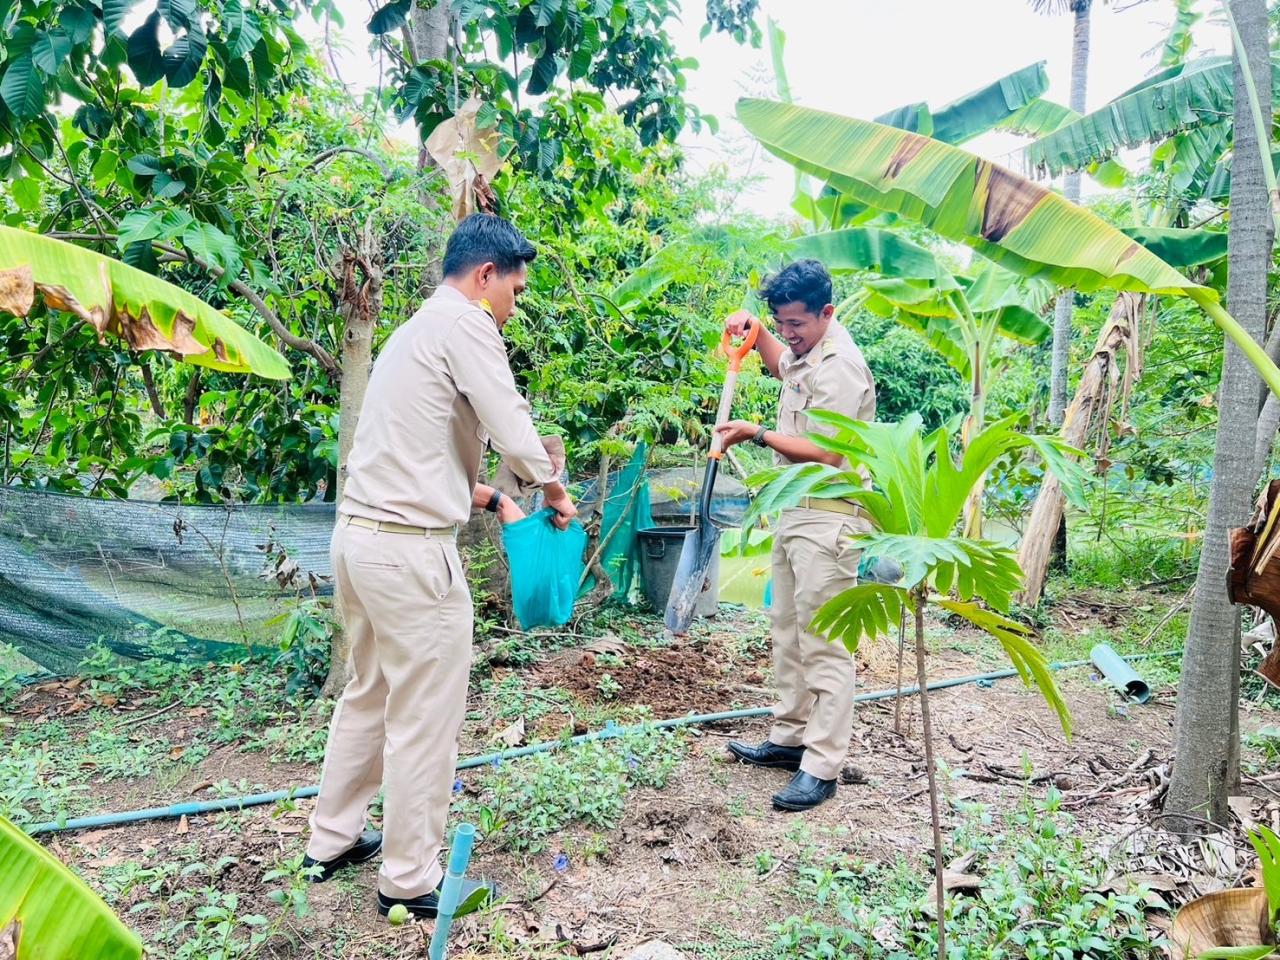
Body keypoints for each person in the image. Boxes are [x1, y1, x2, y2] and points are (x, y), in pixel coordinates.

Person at [301, 214, 577, 918]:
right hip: (411, 555)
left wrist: (490, 498)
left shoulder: (414, 331)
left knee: (370, 692)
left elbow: (419, 449)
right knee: (425, 716)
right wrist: (551, 486)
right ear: (485, 276)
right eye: (513, 289)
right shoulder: (465, 323)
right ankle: (410, 877)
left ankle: (330, 840)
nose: (514, 305)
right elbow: (513, 427)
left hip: (360, 540)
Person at [714, 259, 876, 813]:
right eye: (779, 323)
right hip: (794, 513)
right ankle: (789, 738)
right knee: (787, 630)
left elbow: (829, 452)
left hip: (830, 517)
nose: (789, 336)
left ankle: (822, 765)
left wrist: (757, 433)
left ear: (826, 313)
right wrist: (755, 334)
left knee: (825, 642)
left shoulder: (841, 366)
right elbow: (782, 363)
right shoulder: (806, 351)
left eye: (796, 325)